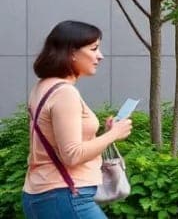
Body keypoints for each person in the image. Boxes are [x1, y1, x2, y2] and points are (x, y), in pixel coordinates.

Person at [23, 20, 134, 219]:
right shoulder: (65, 93)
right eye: (94, 49)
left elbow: (62, 143)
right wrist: (113, 135)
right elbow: (72, 155)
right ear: (71, 52)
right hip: (66, 195)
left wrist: (107, 134)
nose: (100, 56)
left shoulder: (42, 87)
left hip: (44, 193)